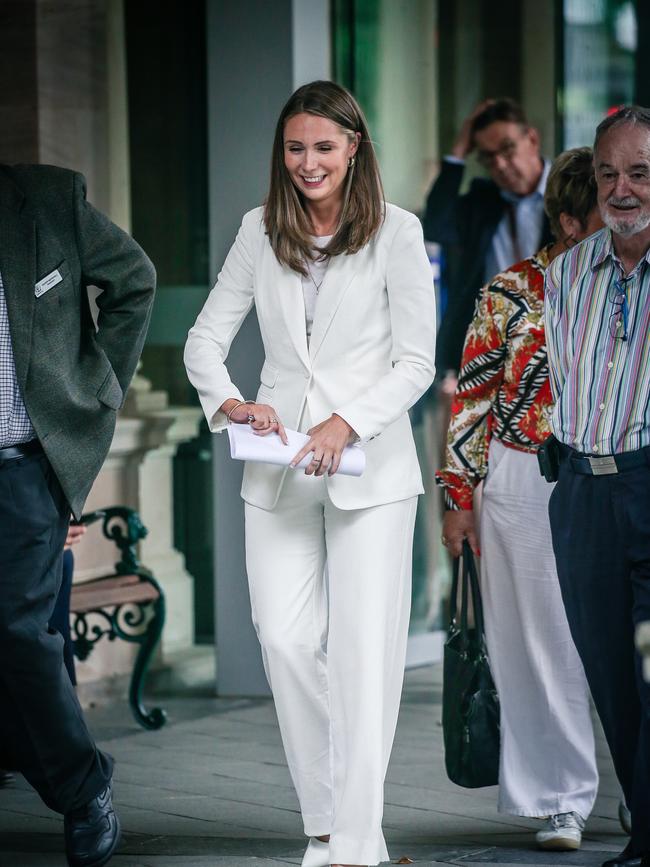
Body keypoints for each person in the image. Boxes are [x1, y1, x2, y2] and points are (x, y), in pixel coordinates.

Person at [184, 80, 436, 867]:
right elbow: (202, 341)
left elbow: (418, 362)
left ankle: (353, 841)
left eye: (324, 147)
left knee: (365, 653)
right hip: (282, 466)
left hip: (371, 467)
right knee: (285, 639)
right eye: (296, 148)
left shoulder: (398, 233)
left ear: (353, 147)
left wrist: (346, 420)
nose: (308, 162)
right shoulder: (259, 231)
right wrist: (233, 405)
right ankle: (327, 815)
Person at [436, 148, 603, 849]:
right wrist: (458, 495)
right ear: (567, 221)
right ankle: (559, 796)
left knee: (619, 639)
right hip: (521, 475)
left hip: (618, 473)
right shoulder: (510, 291)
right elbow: (471, 399)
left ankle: (634, 789)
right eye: (605, 208)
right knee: (538, 643)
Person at [0, 164, 155, 867]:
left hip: (22, 465)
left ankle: (82, 787)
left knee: (19, 630)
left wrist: (97, 389)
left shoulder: (44, 199)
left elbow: (134, 280)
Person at [545, 106, 650, 867]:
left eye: (641, 172)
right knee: (612, 676)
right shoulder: (567, 271)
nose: (622, 188)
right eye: (609, 171)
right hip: (583, 492)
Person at [422, 98, 552, 378]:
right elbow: (436, 224)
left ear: (531, 138)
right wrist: (458, 151)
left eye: (507, 149)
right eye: (488, 157)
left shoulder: (569, 191)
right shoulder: (483, 201)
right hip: (491, 348)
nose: (501, 165)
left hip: (553, 344)